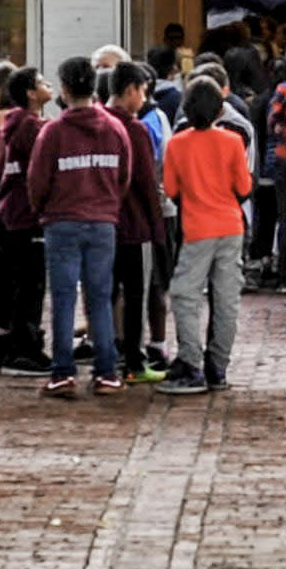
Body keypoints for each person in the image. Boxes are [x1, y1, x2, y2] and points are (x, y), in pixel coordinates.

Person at [24, 57, 132, 398]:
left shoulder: (53, 132)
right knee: (100, 297)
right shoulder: (115, 129)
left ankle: (62, 372)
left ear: (66, 89)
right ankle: (106, 372)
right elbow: (124, 177)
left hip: (62, 222)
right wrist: (107, 204)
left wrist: (44, 209)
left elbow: (36, 182)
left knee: (63, 297)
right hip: (103, 222)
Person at [159, 75, 250, 396]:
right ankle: (218, 365)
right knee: (226, 298)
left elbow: (171, 189)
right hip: (231, 225)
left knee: (185, 294)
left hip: (197, 227)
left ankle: (190, 360)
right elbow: (244, 187)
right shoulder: (232, 141)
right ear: (219, 110)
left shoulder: (177, 144)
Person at [0, 65, 51, 376]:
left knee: (7, 281)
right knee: (25, 282)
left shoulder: (11, 121)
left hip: (2, 210)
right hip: (13, 212)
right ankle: (21, 346)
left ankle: (0, 342)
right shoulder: (23, 123)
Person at [99, 60, 168, 382]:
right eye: (142, 91)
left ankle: (106, 358)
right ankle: (133, 362)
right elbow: (146, 182)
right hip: (134, 224)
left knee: (105, 293)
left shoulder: (96, 123)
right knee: (136, 294)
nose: (144, 98)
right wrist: (158, 227)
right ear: (130, 90)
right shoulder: (134, 129)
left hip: (100, 223)